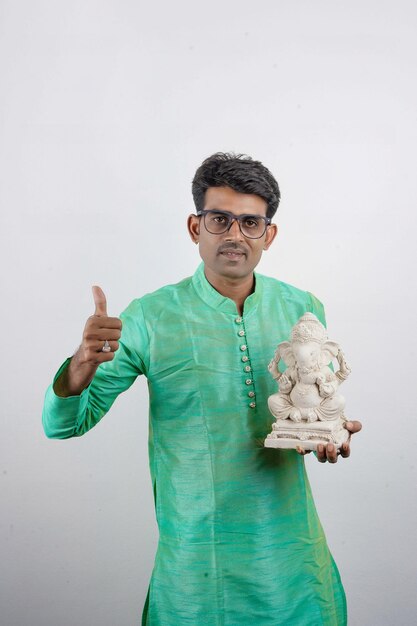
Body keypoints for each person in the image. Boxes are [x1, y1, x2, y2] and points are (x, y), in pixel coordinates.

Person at [43, 153, 362, 626]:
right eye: (220, 219)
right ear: (196, 228)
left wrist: (326, 436)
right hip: (197, 564)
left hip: (292, 561)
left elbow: (307, 410)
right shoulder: (149, 317)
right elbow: (64, 424)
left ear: (268, 235)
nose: (235, 235)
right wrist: (81, 365)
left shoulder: (303, 306)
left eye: (250, 222)